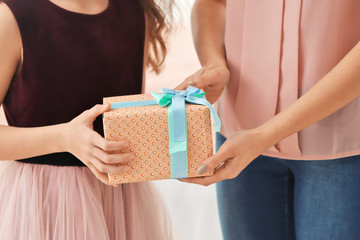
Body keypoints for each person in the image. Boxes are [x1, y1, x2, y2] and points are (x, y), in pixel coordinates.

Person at [177, 0, 360, 239]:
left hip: (341, 148)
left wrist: (265, 135)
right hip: (239, 142)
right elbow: (213, 3)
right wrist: (215, 65)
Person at [0, 0, 175, 239]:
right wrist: (64, 138)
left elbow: (126, 120)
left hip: (121, 202)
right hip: (44, 204)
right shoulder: (11, 16)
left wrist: (176, 109)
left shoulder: (135, 11)